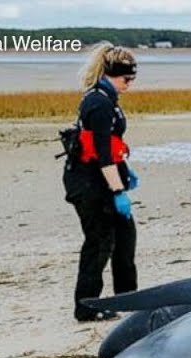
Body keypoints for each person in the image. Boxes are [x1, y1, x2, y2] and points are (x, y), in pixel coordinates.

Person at [63, 42, 140, 322]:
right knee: (99, 242)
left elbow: (112, 147)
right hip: (89, 184)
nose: (129, 85)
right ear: (110, 74)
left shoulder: (108, 99)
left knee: (125, 237)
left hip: (106, 178)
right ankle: (87, 306)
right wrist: (118, 190)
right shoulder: (98, 102)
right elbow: (102, 155)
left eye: (132, 79)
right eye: (125, 79)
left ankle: (129, 299)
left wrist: (125, 173)